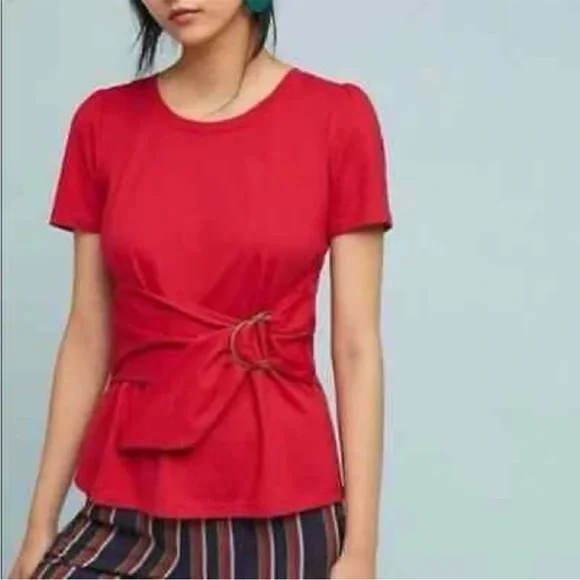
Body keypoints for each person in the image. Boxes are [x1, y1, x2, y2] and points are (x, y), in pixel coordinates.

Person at [9, 0, 393, 578]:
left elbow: (357, 346)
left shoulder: (337, 117)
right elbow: (88, 335)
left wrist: (360, 549)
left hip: (280, 508)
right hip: (130, 491)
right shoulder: (103, 122)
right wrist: (40, 525)